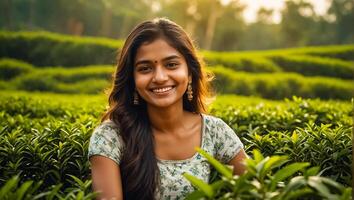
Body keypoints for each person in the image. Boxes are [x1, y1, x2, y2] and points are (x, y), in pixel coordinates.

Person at [88, 18, 248, 200]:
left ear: (189, 73)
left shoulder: (214, 131)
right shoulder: (111, 137)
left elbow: (256, 189)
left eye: (171, 64)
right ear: (132, 78)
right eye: (145, 68)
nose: (160, 77)